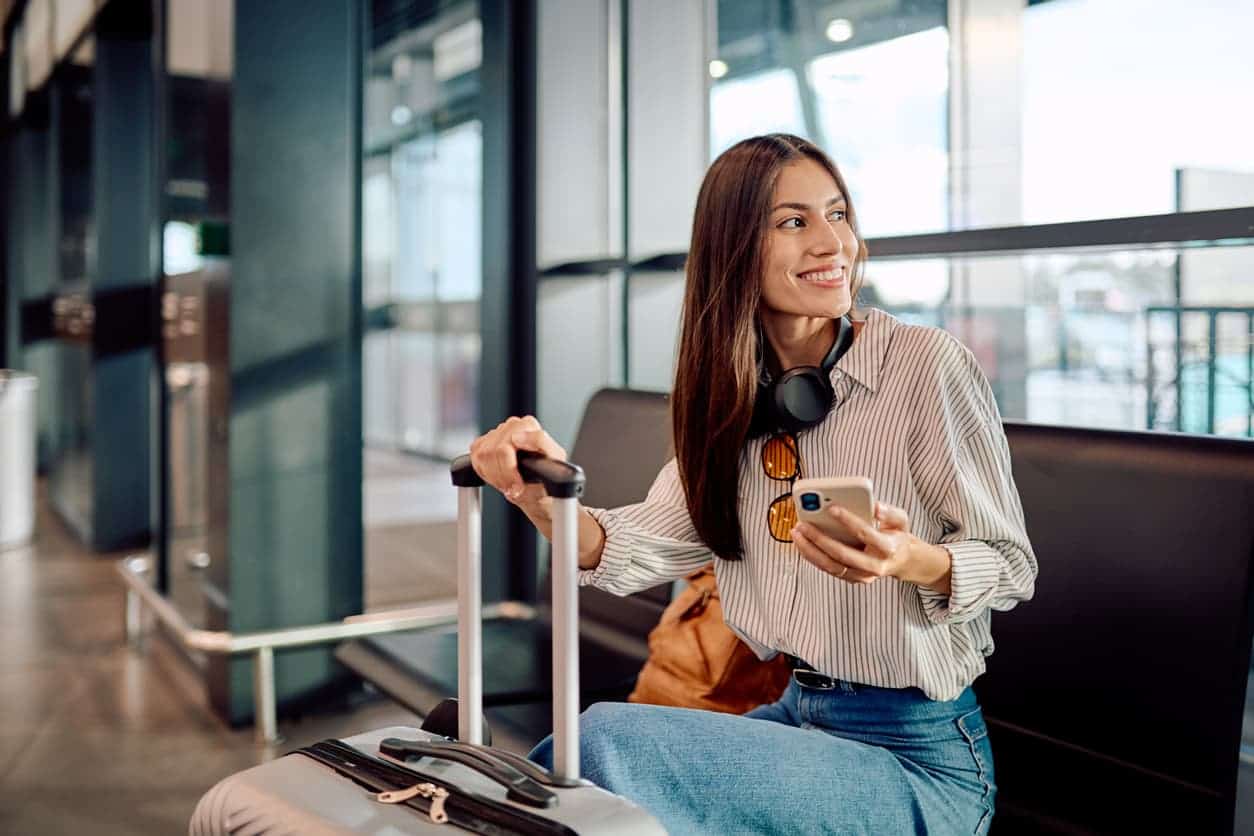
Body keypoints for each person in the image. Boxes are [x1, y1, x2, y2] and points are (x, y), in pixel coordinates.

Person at [468, 133, 1037, 835]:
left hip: (918, 759)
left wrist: (909, 559)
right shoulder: (737, 394)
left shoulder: (925, 365)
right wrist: (537, 494)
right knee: (577, 783)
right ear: (735, 246)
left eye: (838, 214)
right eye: (794, 222)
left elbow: (1012, 566)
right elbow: (639, 546)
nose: (833, 243)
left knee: (602, 746)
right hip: (798, 718)